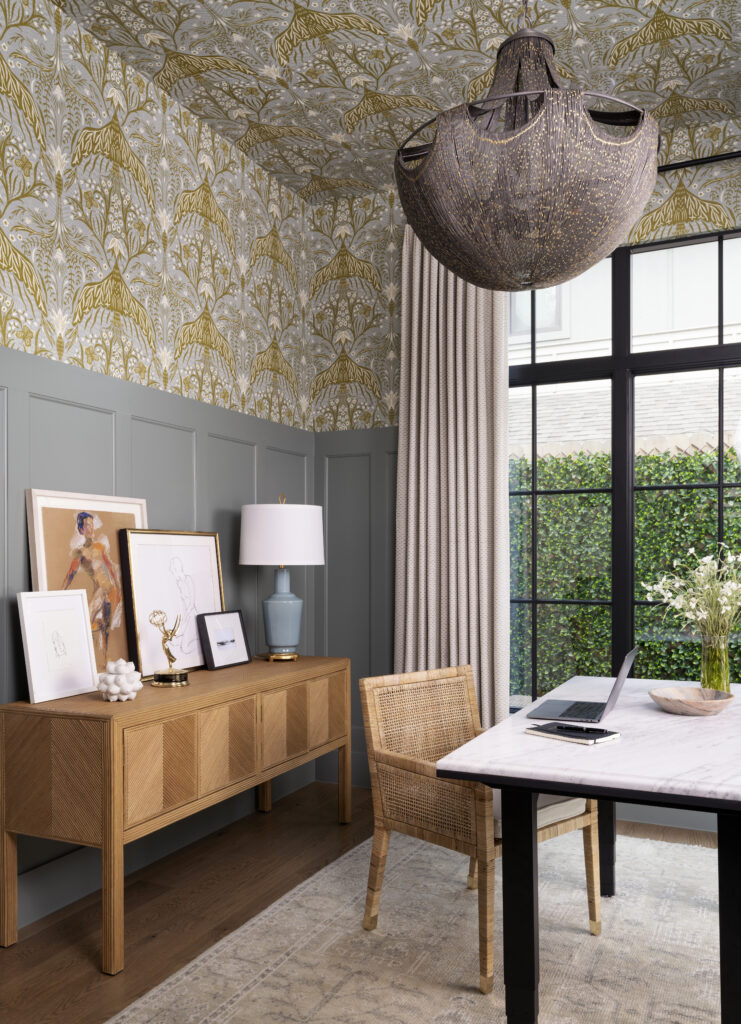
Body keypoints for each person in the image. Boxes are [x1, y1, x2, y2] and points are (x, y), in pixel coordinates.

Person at [61, 512, 122, 659]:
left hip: (108, 589)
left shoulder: (100, 547)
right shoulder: (80, 552)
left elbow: (111, 568)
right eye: (87, 525)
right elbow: (70, 574)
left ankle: (105, 658)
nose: (91, 528)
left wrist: (119, 589)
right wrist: (61, 593)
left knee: (104, 626)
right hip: (99, 591)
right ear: (81, 529)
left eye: (92, 525)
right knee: (93, 624)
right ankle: (96, 658)